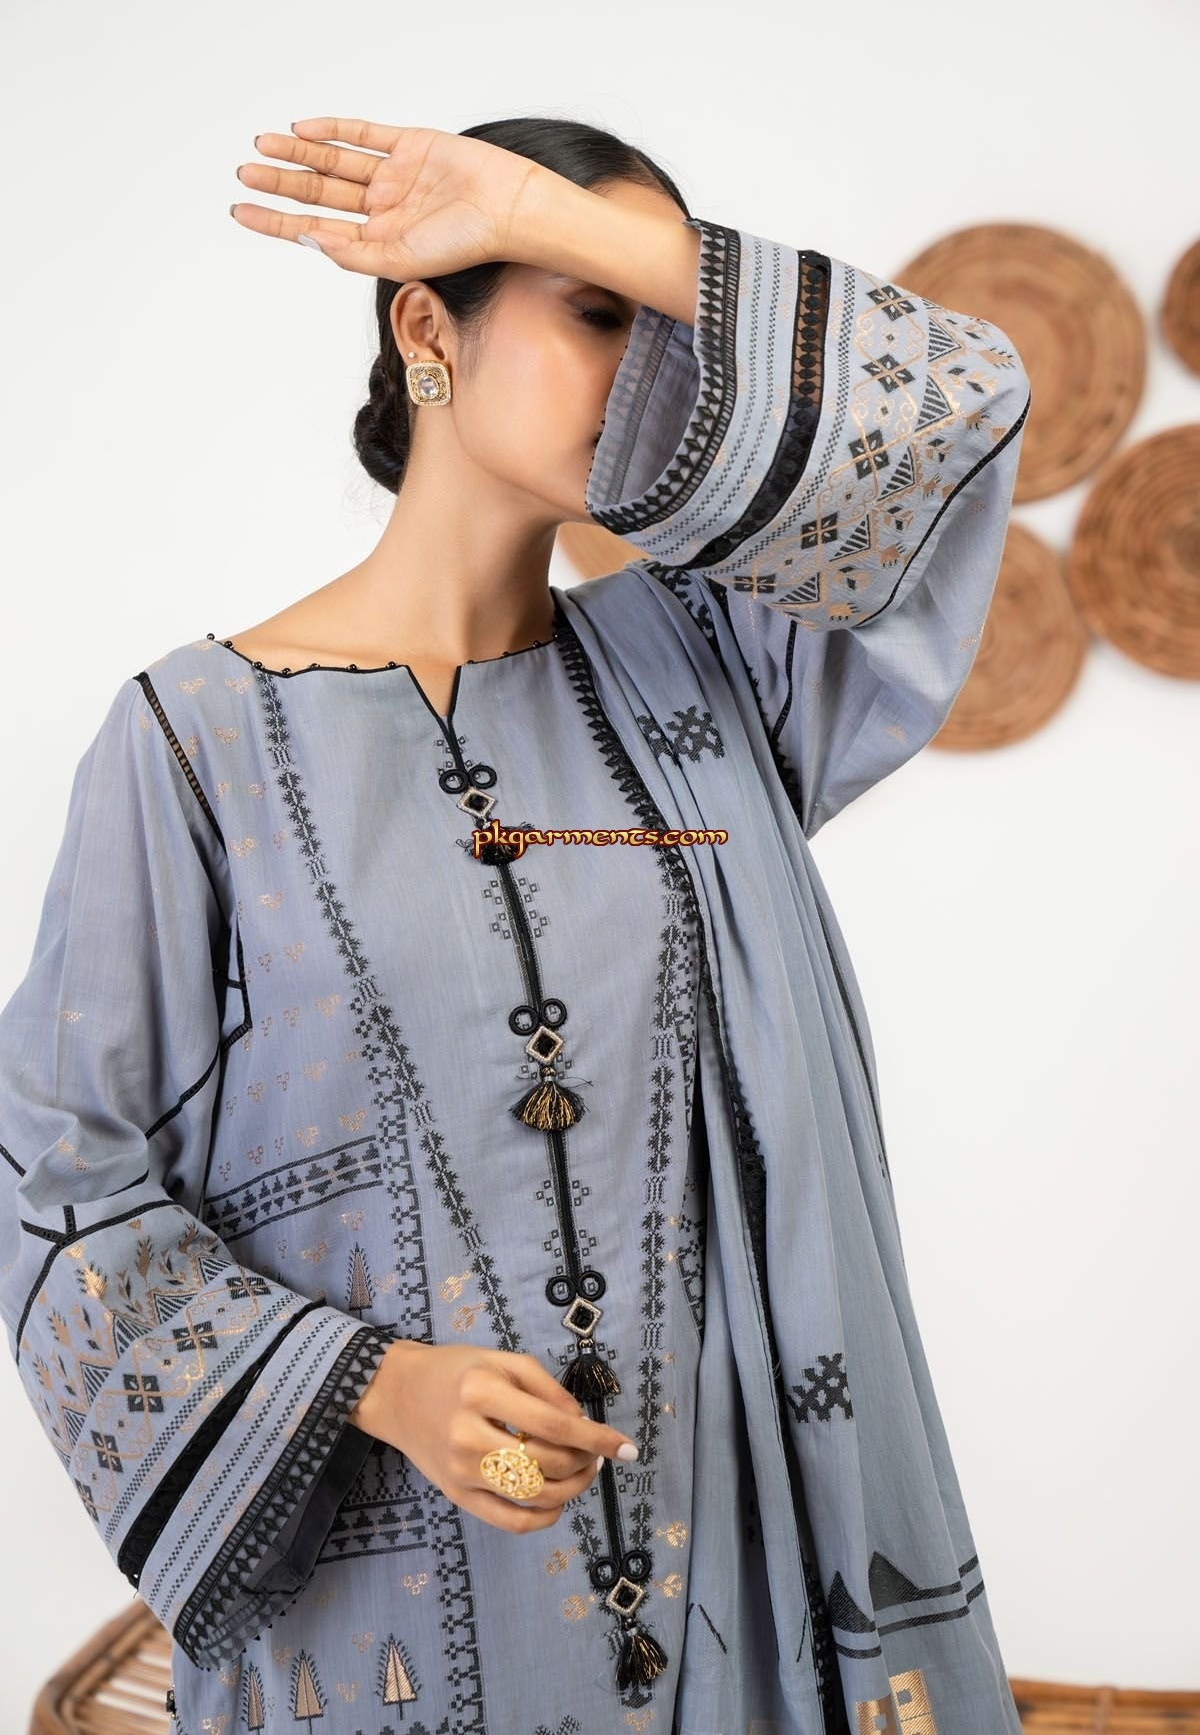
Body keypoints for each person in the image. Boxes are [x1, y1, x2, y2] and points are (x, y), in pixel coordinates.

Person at [0, 114, 1031, 1735]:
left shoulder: (719, 672)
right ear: (428, 325)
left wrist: (563, 220)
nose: (650, 375)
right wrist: (378, 1384)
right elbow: (55, 1180)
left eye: (669, 327)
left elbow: (962, 409)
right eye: (597, 314)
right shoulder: (192, 746)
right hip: (384, 1631)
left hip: (745, 1607)